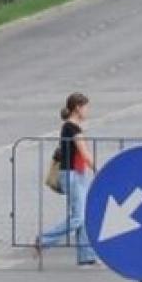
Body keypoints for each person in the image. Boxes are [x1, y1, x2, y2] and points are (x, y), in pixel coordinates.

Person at [35, 93, 97, 266]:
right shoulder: (72, 128)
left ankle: (87, 256)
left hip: (77, 173)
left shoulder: (72, 127)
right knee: (78, 218)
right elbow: (84, 153)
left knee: (82, 216)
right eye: (86, 107)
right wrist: (99, 170)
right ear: (77, 107)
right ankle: (43, 240)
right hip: (71, 174)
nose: (88, 110)